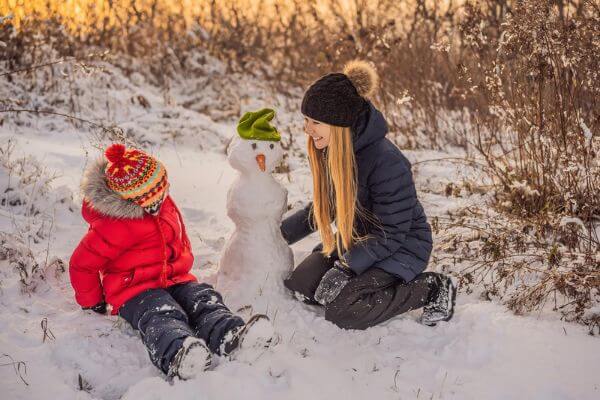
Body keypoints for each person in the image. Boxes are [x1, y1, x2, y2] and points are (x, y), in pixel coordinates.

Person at [69, 143, 274, 380]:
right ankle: (178, 352)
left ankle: (231, 334)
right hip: (135, 291)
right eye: (157, 193)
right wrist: (92, 302)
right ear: (137, 199)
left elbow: (177, 236)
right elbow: (81, 264)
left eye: (163, 188)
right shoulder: (113, 225)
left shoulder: (162, 202)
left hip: (175, 278)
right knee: (161, 314)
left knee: (203, 298)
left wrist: (182, 264)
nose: (165, 193)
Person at [281, 60, 456, 329]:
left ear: (339, 124)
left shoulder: (387, 162)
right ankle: (357, 279)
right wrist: (277, 234)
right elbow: (325, 207)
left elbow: (392, 232)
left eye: (315, 121)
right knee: (302, 286)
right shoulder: (335, 150)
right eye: (306, 120)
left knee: (344, 311)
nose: (307, 129)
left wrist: (346, 267)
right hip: (358, 240)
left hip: (401, 246)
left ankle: (431, 288)